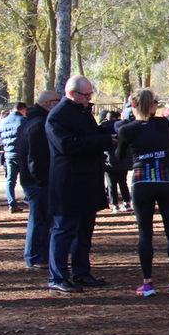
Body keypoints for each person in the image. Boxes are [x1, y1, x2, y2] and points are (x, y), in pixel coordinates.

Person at [117, 89, 169, 297]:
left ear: (132, 105)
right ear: (154, 106)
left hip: (141, 181)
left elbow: (119, 156)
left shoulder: (127, 129)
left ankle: (147, 283)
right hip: (166, 180)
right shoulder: (165, 124)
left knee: (145, 234)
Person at [45, 75, 115, 294]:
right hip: (68, 183)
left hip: (86, 180)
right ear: (72, 94)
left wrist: (111, 129)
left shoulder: (82, 113)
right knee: (64, 230)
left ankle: (82, 273)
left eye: (90, 94)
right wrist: (104, 140)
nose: (89, 99)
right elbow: (68, 145)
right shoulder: (58, 116)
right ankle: (57, 276)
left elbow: (90, 136)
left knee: (84, 231)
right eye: (86, 95)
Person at [20, 91, 61, 268]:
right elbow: (35, 158)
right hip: (36, 181)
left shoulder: (38, 121)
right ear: (49, 103)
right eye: (58, 101)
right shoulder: (38, 124)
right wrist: (41, 181)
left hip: (40, 179)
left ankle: (41, 254)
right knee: (38, 219)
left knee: (45, 219)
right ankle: (34, 256)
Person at [0, 102, 28, 213]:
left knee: (10, 180)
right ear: (23, 110)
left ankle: (11, 203)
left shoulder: (2, 122)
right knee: (27, 178)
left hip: (9, 153)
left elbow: (0, 138)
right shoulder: (24, 121)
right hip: (22, 153)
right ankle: (28, 198)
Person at [101, 110, 132, 212]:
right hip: (123, 159)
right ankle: (126, 203)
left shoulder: (104, 128)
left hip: (109, 160)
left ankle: (114, 204)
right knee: (123, 182)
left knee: (111, 184)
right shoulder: (125, 127)